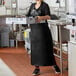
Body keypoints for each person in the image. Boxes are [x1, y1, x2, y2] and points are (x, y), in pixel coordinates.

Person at [26, 0, 60, 75]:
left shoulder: (45, 5)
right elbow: (27, 15)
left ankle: (54, 65)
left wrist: (40, 17)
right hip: (34, 31)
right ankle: (36, 68)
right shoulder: (32, 6)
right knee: (35, 50)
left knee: (47, 49)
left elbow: (48, 16)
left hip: (43, 31)